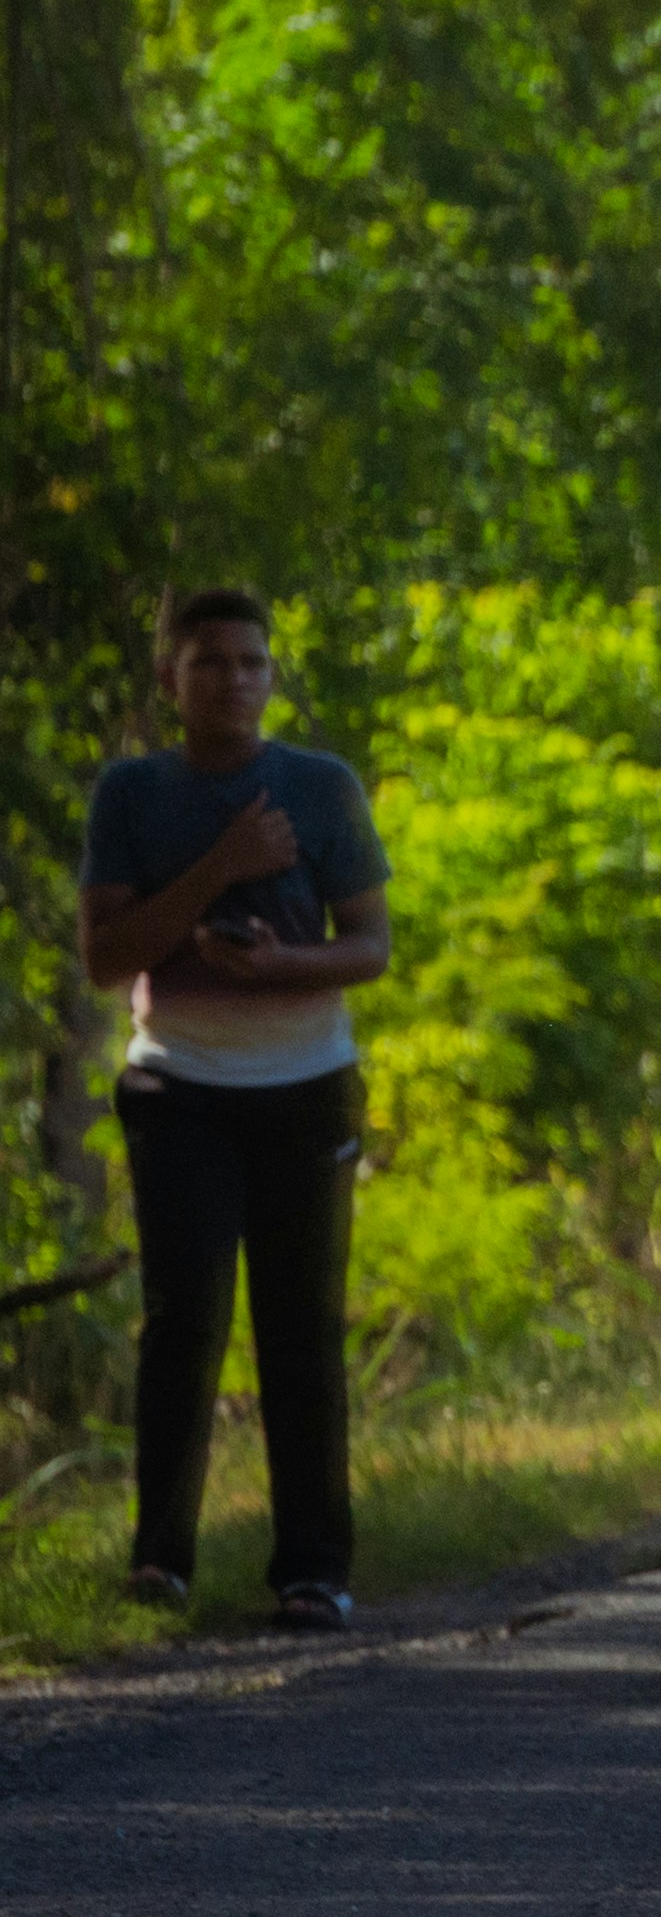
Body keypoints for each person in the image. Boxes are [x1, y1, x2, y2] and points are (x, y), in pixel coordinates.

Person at [81, 591, 392, 1623]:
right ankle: (159, 1561)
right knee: (185, 1323)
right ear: (169, 678)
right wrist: (221, 867)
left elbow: (371, 949)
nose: (235, 679)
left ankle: (314, 1569)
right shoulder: (132, 795)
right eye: (209, 661)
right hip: (178, 1085)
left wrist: (274, 963)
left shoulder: (321, 788)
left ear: (273, 674)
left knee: (301, 1327)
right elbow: (104, 956)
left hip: (305, 1086)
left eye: (252, 661)